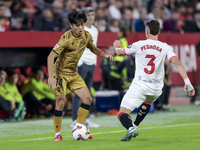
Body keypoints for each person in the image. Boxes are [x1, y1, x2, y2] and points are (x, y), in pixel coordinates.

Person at [113, 19, 195, 141]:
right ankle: (135, 125)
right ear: (159, 32)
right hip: (156, 89)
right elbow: (176, 63)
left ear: (146, 31)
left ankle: (131, 128)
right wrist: (187, 82)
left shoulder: (139, 44)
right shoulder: (165, 47)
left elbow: (119, 53)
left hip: (140, 86)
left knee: (122, 113)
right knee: (148, 101)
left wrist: (116, 47)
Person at [47, 10, 114, 141]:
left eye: (82, 24)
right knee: (61, 102)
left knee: (87, 98)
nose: (80, 28)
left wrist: (105, 55)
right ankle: (57, 134)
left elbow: (93, 48)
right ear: (71, 25)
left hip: (73, 73)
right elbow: (51, 56)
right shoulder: (65, 39)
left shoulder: (86, 35)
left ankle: (79, 128)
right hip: (60, 74)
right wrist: (50, 76)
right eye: (77, 25)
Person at [71, 7, 99, 128]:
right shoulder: (80, 29)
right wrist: (79, 63)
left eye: (92, 14)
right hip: (82, 64)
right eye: (88, 15)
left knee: (87, 94)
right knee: (79, 93)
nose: (91, 17)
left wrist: (94, 61)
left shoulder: (95, 30)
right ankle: (74, 120)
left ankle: (84, 119)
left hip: (91, 64)